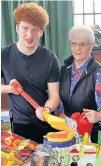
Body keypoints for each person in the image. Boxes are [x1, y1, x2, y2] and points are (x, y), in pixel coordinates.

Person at [1, 3, 60, 143]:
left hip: (45, 122)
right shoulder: (3, 55)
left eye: (35, 29)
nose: (29, 34)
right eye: (25, 28)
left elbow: (54, 96)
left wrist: (46, 109)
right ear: (17, 28)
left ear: (41, 32)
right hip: (19, 125)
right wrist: (8, 89)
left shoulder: (50, 58)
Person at [58, 25, 101, 143]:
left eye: (82, 44)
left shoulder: (100, 73)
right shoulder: (63, 69)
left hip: (90, 135)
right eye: (74, 44)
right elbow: (60, 103)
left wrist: (99, 116)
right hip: (66, 131)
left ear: (92, 46)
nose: (77, 48)